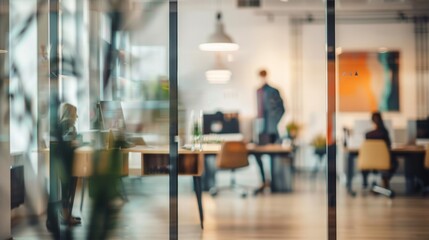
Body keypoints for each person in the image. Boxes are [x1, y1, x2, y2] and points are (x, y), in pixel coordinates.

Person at [254, 69, 285, 194]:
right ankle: (264, 180)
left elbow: (281, 109)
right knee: (256, 153)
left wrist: (274, 122)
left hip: (271, 129)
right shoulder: (258, 91)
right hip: (261, 128)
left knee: (274, 155)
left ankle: (274, 183)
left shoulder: (273, 91)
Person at [58, 103, 81, 226]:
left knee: (67, 190)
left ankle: (67, 214)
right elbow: (70, 139)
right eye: (75, 113)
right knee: (67, 190)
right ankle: (66, 216)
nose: (76, 116)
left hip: (65, 162)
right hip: (67, 163)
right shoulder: (68, 125)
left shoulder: (62, 125)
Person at [362, 112, 398, 189]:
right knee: (394, 161)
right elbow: (389, 146)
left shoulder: (368, 134)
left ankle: (365, 182)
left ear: (372, 120)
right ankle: (385, 179)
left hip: (369, 160)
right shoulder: (385, 133)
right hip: (384, 161)